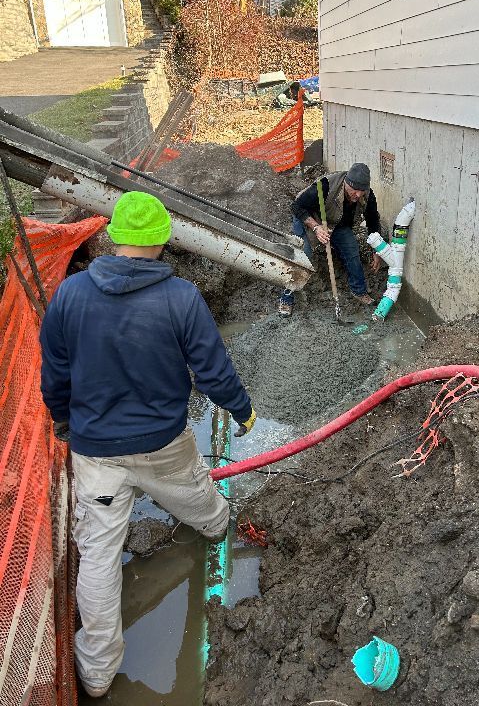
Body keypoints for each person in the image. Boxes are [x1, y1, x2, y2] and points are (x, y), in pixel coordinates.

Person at [39, 191, 255, 698]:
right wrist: (241, 411)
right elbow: (213, 371)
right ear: (163, 240)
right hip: (163, 443)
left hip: (95, 453)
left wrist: (63, 422)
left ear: (114, 238)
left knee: (97, 558)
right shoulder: (181, 298)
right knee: (201, 501)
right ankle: (217, 525)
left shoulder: (69, 296)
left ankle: (94, 675)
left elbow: (56, 376)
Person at [279, 163, 382, 317]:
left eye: (362, 191)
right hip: (308, 217)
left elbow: (373, 220)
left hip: (335, 222)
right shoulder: (325, 186)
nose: (358, 195)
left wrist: (377, 249)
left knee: (352, 249)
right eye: (355, 190)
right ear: (346, 183)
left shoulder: (367, 195)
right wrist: (316, 227)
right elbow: (296, 207)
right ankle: (286, 298)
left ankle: (359, 291)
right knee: (302, 256)